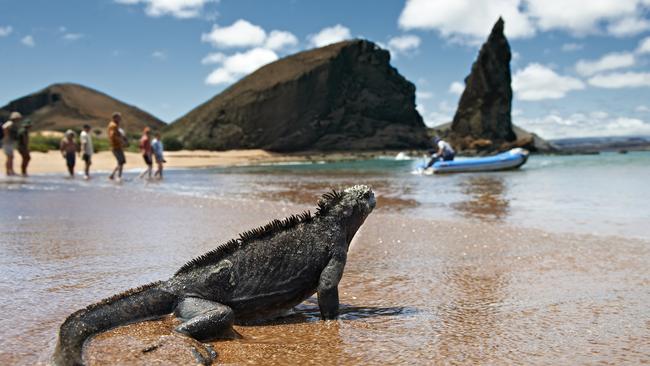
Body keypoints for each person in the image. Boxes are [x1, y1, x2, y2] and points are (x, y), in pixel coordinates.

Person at [107, 112, 126, 181]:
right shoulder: (113, 125)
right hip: (116, 147)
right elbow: (113, 136)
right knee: (121, 161)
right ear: (114, 118)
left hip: (116, 146)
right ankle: (118, 177)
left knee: (120, 162)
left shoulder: (114, 125)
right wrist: (121, 141)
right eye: (119, 118)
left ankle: (112, 175)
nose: (120, 119)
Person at [2, 111, 22, 176]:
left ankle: (11, 171)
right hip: (7, 142)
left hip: (9, 142)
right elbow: (4, 128)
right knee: (9, 157)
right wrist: (6, 136)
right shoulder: (10, 123)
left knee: (11, 157)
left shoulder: (13, 124)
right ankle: (8, 171)